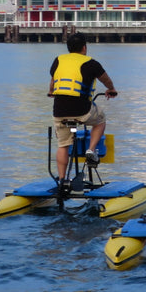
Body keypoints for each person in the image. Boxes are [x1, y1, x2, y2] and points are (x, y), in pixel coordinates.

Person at [48, 33, 117, 188]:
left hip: (60, 111)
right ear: (84, 47)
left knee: (63, 145)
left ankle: (62, 180)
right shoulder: (91, 63)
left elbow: (52, 83)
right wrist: (111, 89)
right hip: (82, 111)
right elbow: (106, 80)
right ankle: (91, 150)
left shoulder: (58, 60)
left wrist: (51, 92)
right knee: (100, 119)